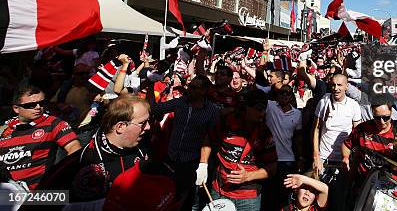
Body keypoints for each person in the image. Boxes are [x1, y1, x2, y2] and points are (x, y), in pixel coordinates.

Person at [147, 76, 218, 209]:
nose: (188, 89)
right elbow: (154, 109)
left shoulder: (212, 111)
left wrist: (203, 164)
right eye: (189, 86)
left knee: (186, 202)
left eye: (193, 87)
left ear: (203, 91)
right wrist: (151, 86)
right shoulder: (180, 103)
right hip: (171, 159)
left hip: (191, 163)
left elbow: (210, 136)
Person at [342, 93, 397, 210]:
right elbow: (347, 144)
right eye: (377, 117)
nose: (382, 122)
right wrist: (345, 158)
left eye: (386, 117)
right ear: (372, 112)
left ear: (391, 113)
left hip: (389, 193)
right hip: (364, 188)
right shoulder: (363, 129)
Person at [202, 89, 277, 211]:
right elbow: (209, 138)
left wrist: (248, 176)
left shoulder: (264, 133)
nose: (262, 113)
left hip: (248, 198)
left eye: (264, 109)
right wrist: (203, 163)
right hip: (219, 191)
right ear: (246, 107)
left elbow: (272, 167)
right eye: (258, 108)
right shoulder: (227, 122)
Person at [0, 84, 81, 190]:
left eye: (41, 103)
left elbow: (74, 148)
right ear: (16, 108)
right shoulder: (3, 129)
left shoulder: (53, 123)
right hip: (7, 193)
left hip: (41, 194)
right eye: (31, 105)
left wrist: (61, 179)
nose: (38, 107)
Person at [71, 95, 150, 201]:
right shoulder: (90, 161)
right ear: (120, 127)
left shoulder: (144, 143)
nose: (148, 127)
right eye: (143, 123)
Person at [313, 73, 361, 211]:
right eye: (333, 85)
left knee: (339, 201)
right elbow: (316, 130)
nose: (336, 88)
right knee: (321, 202)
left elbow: (357, 133)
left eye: (339, 85)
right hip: (323, 160)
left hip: (343, 162)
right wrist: (316, 156)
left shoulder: (354, 106)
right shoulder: (324, 101)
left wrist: (351, 159)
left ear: (346, 86)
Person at [265, 84, 303, 208]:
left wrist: (299, 159)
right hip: (268, 159)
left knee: (284, 195)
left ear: (292, 96)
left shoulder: (297, 114)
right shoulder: (269, 106)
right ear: (277, 95)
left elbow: (297, 139)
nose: (285, 95)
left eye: (288, 93)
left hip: (287, 160)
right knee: (269, 194)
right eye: (282, 93)